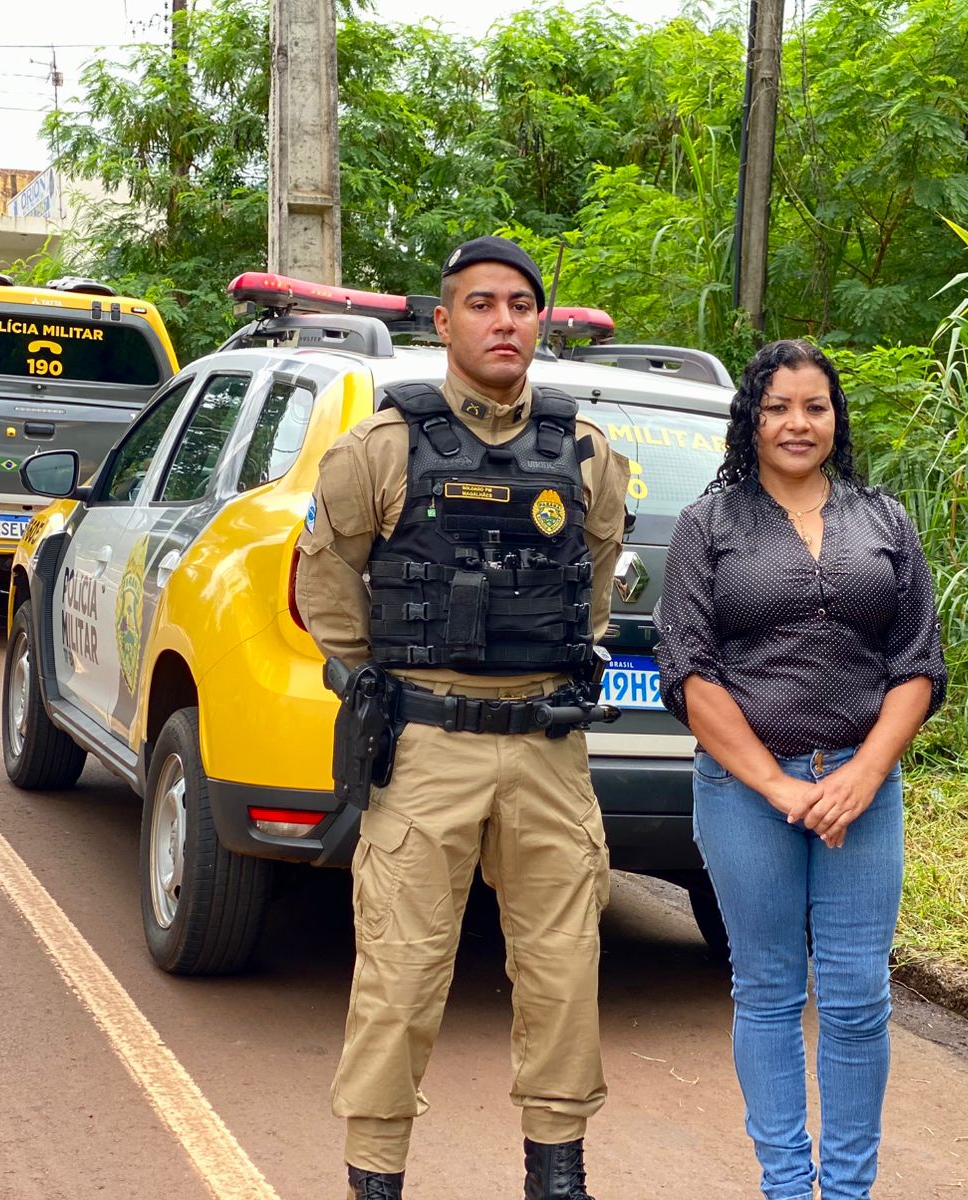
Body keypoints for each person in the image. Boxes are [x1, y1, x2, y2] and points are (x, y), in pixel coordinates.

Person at [296, 235, 630, 1200]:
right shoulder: (385, 446)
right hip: (427, 744)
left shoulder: (585, 453)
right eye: (482, 305)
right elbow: (325, 584)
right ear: (443, 323)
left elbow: (595, 588)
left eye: (521, 306)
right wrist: (389, 680)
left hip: (547, 751)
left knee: (564, 978)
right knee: (399, 982)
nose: (504, 322)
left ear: (541, 322)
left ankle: (557, 1179)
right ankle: (375, 1180)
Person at [654, 340, 947, 1200]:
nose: (797, 423)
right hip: (749, 793)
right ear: (752, 418)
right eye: (778, 406)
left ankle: (848, 1192)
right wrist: (779, 785)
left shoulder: (883, 518)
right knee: (770, 987)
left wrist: (863, 775)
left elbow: (918, 663)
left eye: (814, 407)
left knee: (858, 995)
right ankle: (787, 1185)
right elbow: (688, 671)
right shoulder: (711, 525)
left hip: (864, 784)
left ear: (835, 418)